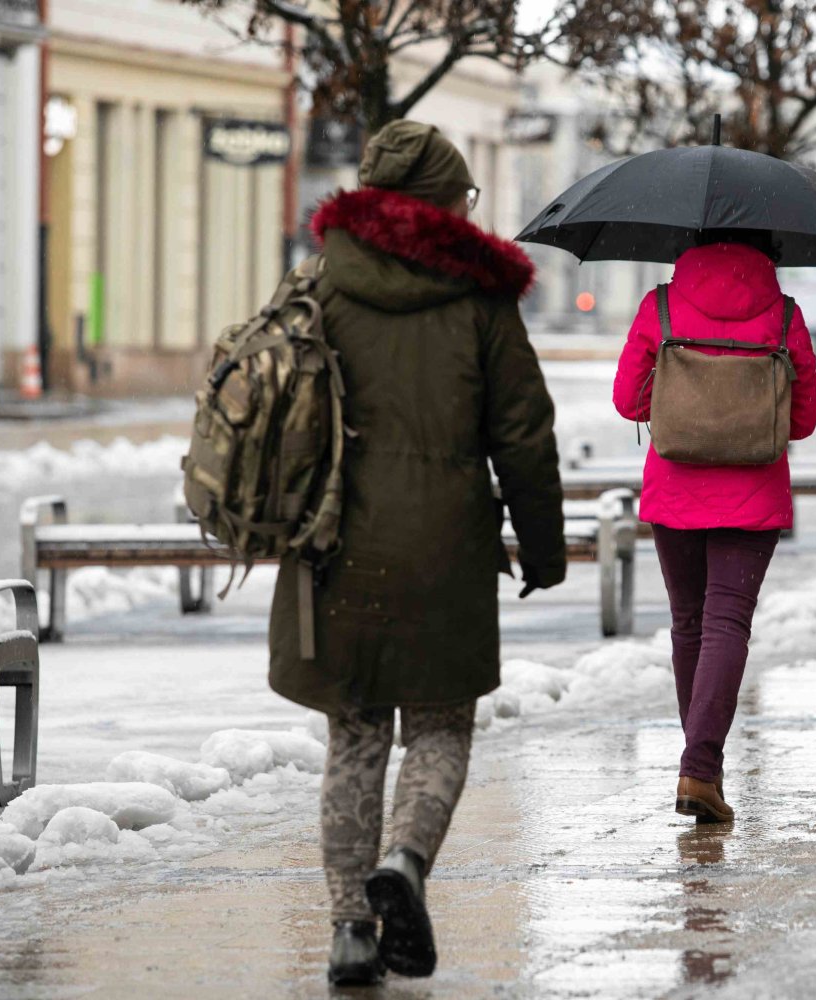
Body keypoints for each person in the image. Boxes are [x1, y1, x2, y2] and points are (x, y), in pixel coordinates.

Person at [267, 120, 566, 986]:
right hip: (447, 546)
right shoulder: (482, 299)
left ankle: (349, 933)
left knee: (355, 736)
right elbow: (524, 434)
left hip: (334, 544)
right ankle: (404, 860)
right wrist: (542, 547)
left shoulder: (317, 284)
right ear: (446, 206)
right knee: (438, 724)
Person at [613, 228, 816, 824]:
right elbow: (802, 420)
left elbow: (628, 400)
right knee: (727, 622)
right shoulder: (785, 315)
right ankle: (700, 768)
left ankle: (699, 767)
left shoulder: (660, 306)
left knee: (688, 623)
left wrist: (681, 396)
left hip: (676, 491)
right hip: (753, 493)